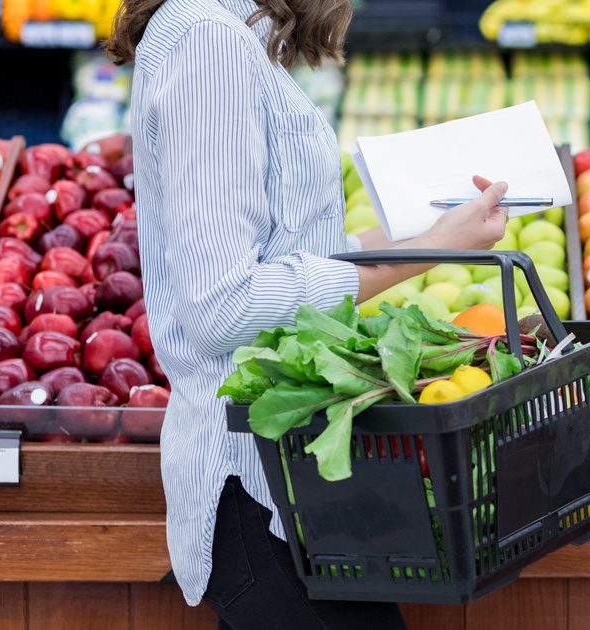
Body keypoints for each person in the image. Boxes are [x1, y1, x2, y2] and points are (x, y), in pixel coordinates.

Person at [108, 0, 509, 627]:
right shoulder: (209, 45)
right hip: (256, 486)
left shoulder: (225, 36)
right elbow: (224, 304)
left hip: (294, 484)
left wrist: (429, 239)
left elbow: (285, 261)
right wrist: (425, 257)